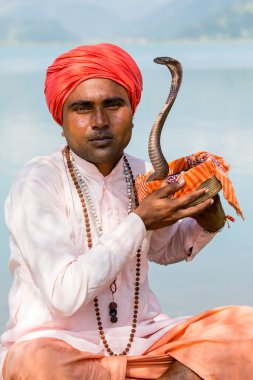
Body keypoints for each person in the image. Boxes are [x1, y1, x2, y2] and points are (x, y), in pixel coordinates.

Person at [1, 43, 253, 380]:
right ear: (61, 121)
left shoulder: (145, 172)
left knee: (245, 331)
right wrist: (139, 221)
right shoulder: (37, 182)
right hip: (60, 347)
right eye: (82, 108)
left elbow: (163, 249)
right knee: (34, 363)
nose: (100, 121)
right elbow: (64, 295)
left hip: (145, 339)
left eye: (113, 104)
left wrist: (206, 222)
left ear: (133, 112)